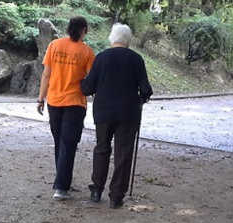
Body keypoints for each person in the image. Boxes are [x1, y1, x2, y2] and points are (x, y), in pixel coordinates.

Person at [80, 23, 153, 209]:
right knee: (124, 153)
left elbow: (88, 88)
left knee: (102, 148)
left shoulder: (102, 57)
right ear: (128, 39)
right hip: (128, 113)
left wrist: (81, 82)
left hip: (104, 111)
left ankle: (96, 190)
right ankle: (116, 196)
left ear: (112, 38)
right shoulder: (136, 59)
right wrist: (140, 99)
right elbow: (146, 89)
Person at [37, 16, 95, 200]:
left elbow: (46, 74)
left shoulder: (54, 45)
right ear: (84, 30)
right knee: (68, 144)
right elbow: (91, 79)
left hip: (54, 101)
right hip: (75, 103)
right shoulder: (87, 52)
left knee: (59, 143)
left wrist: (40, 99)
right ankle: (61, 188)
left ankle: (62, 181)